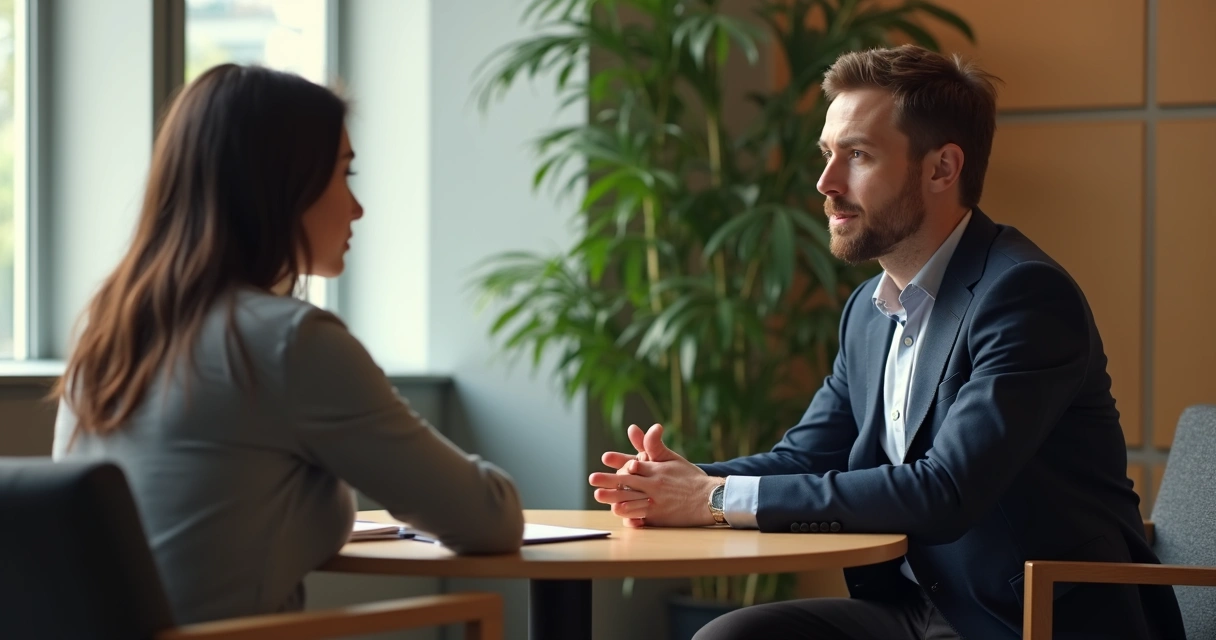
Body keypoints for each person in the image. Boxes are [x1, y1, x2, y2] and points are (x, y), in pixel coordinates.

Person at [589, 45, 1185, 640]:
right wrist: (680, 482)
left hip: (1028, 617)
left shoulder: (1024, 296)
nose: (826, 182)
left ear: (941, 169)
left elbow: (943, 490)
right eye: (828, 155)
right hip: (919, 608)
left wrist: (714, 498)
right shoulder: (868, 312)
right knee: (730, 637)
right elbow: (808, 457)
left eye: (859, 155)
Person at [51, 64, 524, 625]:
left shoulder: (109, 333)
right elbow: (489, 519)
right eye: (344, 175)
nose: (357, 208)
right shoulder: (289, 342)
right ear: (281, 185)